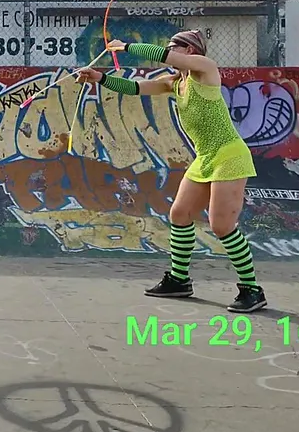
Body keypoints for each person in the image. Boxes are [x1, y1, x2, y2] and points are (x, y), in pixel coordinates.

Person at [74, 29, 267, 313]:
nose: (170, 51)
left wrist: (126, 47)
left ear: (190, 50)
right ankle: (179, 280)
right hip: (205, 158)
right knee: (179, 214)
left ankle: (252, 289)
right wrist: (98, 78)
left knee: (221, 226)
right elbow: (135, 88)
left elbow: (164, 55)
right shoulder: (174, 83)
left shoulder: (205, 69)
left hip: (229, 156)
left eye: (176, 47)